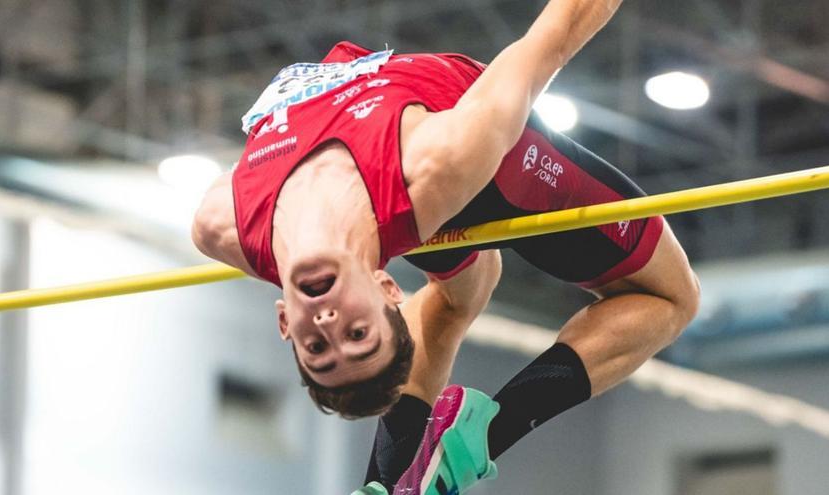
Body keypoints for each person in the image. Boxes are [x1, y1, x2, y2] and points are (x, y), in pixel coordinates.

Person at [191, 0, 700, 419]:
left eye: (318, 350)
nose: (326, 323)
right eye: (357, 334)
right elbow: (558, 31)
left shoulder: (221, 224)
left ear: (285, 324)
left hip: (390, 187)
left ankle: (390, 480)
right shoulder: (442, 161)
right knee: (674, 297)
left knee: (461, 295)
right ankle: (493, 429)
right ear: (387, 288)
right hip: (499, 173)